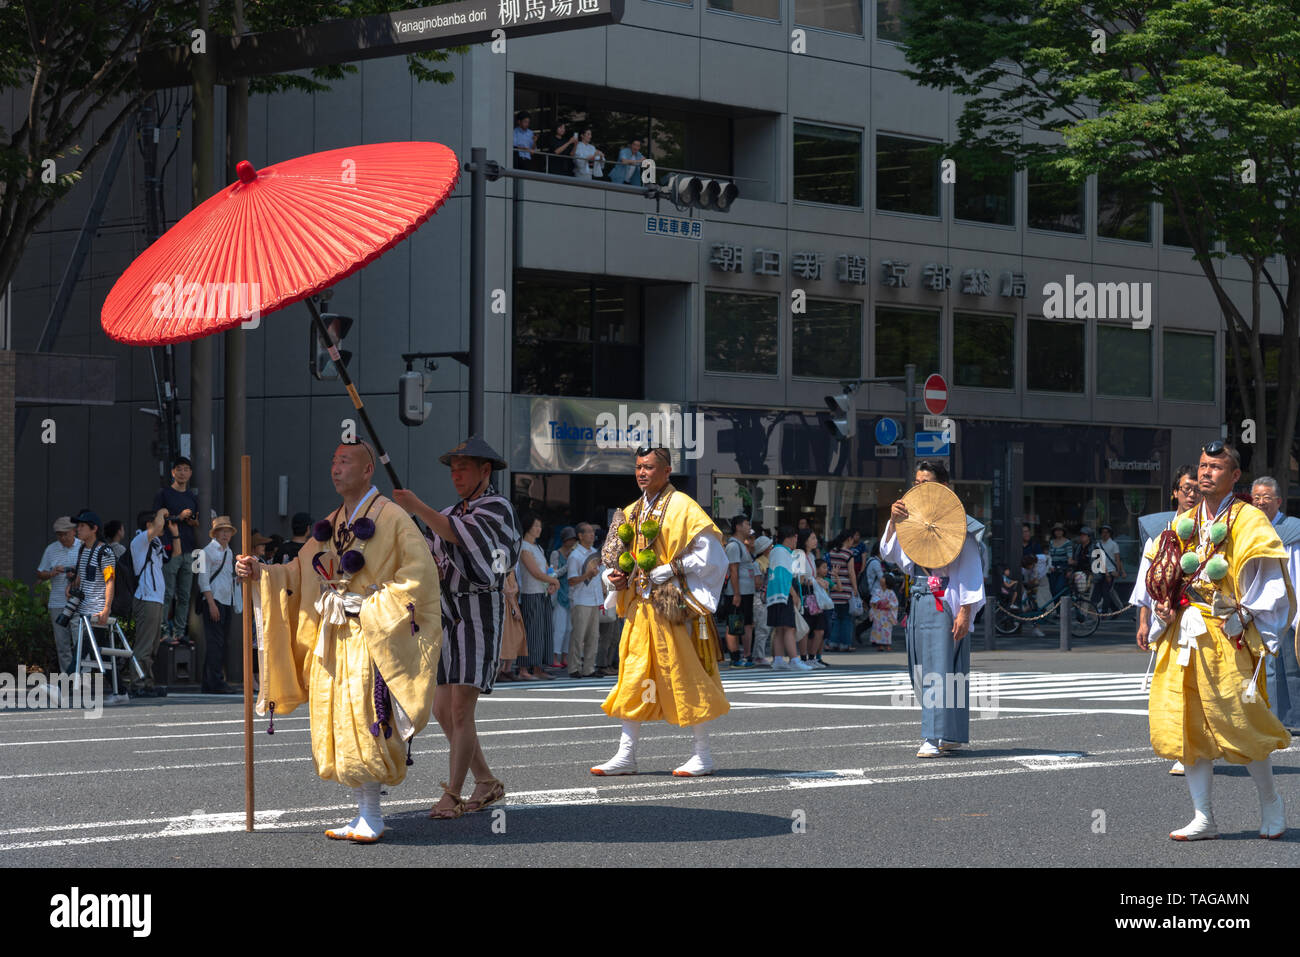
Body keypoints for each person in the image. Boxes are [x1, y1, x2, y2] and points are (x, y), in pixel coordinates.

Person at [237, 441, 442, 843]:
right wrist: (261, 571)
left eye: (345, 461)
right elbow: (299, 573)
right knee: (338, 719)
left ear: (367, 470)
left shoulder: (394, 517)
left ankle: (373, 814)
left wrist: (371, 603)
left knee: (367, 718)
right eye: (333, 461)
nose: (336, 468)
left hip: (372, 634)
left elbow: (421, 578)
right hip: (335, 635)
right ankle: (361, 811)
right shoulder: (332, 522)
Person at [1142, 441, 1296, 840]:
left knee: (1240, 718)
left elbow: (1271, 582)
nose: (1206, 473)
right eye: (1203, 466)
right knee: (1186, 723)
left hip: (1226, 634)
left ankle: (1271, 803)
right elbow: (1163, 575)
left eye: (1216, 467)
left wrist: (1245, 614)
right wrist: (1161, 606)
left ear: (1234, 475)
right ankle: (1204, 817)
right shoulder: (1183, 522)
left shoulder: (1249, 519)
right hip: (1183, 632)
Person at [391, 436, 520, 820]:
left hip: (479, 609)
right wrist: (411, 523)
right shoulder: (449, 512)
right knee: (442, 708)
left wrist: (418, 508)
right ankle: (485, 780)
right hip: (446, 612)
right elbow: (431, 544)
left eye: (464, 468)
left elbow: (461, 537)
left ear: (485, 471)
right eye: (453, 468)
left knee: (461, 707)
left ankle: (453, 794)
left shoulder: (497, 507)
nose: (456, 474)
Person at [592, 447, 730, 776]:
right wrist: (612, 576)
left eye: (650, 467)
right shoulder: (629, 512)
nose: (642, 473)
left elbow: (712, 556)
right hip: (640, 607)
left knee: (686, 674)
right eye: (639, 467)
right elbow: (611, 559)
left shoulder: (683, 507)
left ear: (667, 471)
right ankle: (626, 754)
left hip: (674, 606)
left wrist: (673, 567)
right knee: (633, 677)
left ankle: (703, 754)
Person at [880, 460, 986, 759]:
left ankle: (933, 735)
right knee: (924, 668)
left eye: (925, 482)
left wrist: (966, 611)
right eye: (915, 482)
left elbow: (970, 570)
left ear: (944, 487)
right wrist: (893, 521)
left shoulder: (959, 522)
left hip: (946, 599)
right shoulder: (910, 519)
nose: (919, 488)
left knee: (938, 670)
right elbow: (891, 555)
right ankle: (949, 733)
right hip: (919, 595)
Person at [1130, 464, 1200, 775]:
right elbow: (1146, 582)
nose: (1191, 492)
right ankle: (1183, 750)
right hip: (1165, 621)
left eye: (1196, 487)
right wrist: (1143, 622)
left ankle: (1199, 748)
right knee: (1174, 689)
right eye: (1185, 487)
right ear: (1174, 492)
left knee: (1198, 689)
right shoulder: (1161, 532)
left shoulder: (1211, 531)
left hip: (1202, 620)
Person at [1250, 476, 1300, 731]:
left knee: (1291, 668)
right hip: (1257, 611)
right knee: (1265, 668)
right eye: (1256, 498)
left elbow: (1297, 572)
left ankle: (1294, 719)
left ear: (1278, 501)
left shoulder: (1292, 531)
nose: (1260, 502)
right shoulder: (1249, 531)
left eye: (1266, 498)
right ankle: (1270, 718)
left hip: (1287, 611)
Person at [69, 510, 118, 696]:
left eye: (82, 526)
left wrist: (106, 608)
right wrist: (73, 585)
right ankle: (121, 692)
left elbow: (110, 580)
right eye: (78, 526)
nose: (77, 530)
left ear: (94, 529)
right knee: (102, 653)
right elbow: (83, 575)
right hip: (84, 609)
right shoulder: (83, 549)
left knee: (80, 652)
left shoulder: (104, 551)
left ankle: (61, 688)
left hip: (96, 611)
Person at [153, 457, 200, 642]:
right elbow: (157, 520)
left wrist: (192, 521)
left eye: (186, 470)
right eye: (179, 469)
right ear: (173, 472)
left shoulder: (193, 497)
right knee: (167, 593)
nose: (182, 473)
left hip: (189, 548)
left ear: (190, 473)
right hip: (170, 549)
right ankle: (163, 632)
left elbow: (197, 521)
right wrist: (178, 517)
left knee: (185, 595)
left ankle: (179, 633)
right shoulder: (164, 494)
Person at [125, 507, 169, 698]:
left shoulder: (156, 543)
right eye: (159, 522)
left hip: (156, 599)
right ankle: (137, 683)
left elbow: (175, 553)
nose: (164, 525)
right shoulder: (140, 540)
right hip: (146, 598)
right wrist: (162, 511)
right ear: (149, 525)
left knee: (153, 646)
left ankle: (148, 682)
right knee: (144, 645)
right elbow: (159, 524)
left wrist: (175, 534)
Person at [197, 515, 242, 694]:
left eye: (228, 531)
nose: (225, 535)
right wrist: (211, 603)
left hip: (225, 599)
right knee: (215, 643)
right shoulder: (206, 552)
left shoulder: (229, 551)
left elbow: (226, 575)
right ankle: (215, 681)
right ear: (215, 533)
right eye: (222, 531)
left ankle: (209, 682)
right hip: (213, 600)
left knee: (218, 642)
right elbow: (202, 580)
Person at [516, 511, 559, 680]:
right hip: (530, 593)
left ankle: (539, 667)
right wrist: (554, 582)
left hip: (542, 593)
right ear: (528, 527)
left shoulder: (539, 547)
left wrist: (551, 582)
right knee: (531, 631)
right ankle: (524, 669)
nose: (539, 529)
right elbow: (535, 572)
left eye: (540, 526)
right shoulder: (524, 547)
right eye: (536, 526)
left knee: (544, 631)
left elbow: (546, 570)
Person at [36, 516, 81, 674]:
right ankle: (67, 679)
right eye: (59, 535)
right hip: (57, 602)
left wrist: (75, 574)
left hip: (79, 602)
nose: (62, 538)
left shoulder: (82, 547)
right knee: (62, 645)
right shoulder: (51, 549)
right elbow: (40, 573)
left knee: (80, 643)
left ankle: (82, 680)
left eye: (65, 534)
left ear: (73, 531)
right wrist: (51, 573)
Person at [766, 526, 808, 671]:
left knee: (780, 629)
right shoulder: (781, 552)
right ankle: (794, 659)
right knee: (789, 628)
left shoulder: (776, 551)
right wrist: (794, 594)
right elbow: (783, 575)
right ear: (791, 537)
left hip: (775, 594)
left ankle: (778, 659)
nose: (797, 541)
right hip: (784, 594)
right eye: (796, 538)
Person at [719, 514, 757, 667]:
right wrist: (736, 593)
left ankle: (745, 656)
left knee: (745, 623)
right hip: (736, 592)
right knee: (733, 623)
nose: (749, 527)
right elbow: (733, 570)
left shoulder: (743, 545)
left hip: (746, 591)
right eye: (746, 524)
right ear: (738, 527)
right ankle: (735, 657)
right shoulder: (733, 546)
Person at [566, 522, 603, 677]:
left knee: (593, 637)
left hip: (594, 599)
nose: (592, 534)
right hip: (580, 600)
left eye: (592, 532)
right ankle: (574, 668)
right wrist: (587, 575)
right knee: (578, 636)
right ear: (580, 536)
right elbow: (571, 580)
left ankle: (589, 668)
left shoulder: (595, 552)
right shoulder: (575, 555)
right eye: (588, 532)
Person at [825, 530, 860, 653]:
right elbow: (851, 573)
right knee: (846, 619)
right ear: (848, 539)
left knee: (837, 618)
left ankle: (833, 642)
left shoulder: (832, 552)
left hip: (834, 588)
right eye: (852, 541)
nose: (852, 543)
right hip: (845, 589)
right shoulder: (848, 554)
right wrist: (855, 588)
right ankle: (845, 644)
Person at [550, 526, 578, 670]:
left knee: (569, 629)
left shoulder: (575, 554)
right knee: (559, 628)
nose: (572, 542)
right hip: (560, 593)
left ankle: (565, 657)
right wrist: (568, 566)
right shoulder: (556, 554)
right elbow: (553, 573)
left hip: (571, 593)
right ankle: (555, 657)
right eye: (570, 539)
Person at [750, 534, 774, 666]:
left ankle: (759, 654)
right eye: (770, 546)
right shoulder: (758, 563)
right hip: (760, 598)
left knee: (764, 627)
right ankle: (758, 655)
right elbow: (757, 583)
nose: (772, 547)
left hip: (764, 597)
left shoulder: (763, 562)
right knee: (762, 628)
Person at [1046, 523, 1072, 597]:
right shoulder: (1051, 542)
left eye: (1060, 530)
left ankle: (1063, 607)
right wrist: (1049, 566)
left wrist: (1069, 570)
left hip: (1063, 568)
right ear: (1054, 532)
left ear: (1063, 531)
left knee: (1059, 589)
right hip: (1052, 568)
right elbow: (1049, 556)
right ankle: (1057, 608)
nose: (1058, 532)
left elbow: (1069, 557)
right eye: (1056, 530)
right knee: (1053, 590)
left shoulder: (1067, 542)